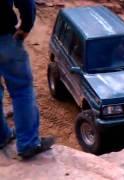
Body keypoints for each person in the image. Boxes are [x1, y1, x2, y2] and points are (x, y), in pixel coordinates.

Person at [0, 0, 54, 159]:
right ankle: (28, 144)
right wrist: (25, 27)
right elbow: (26, 3)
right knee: (22, 90)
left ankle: (2, 136)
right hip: (4, 38)